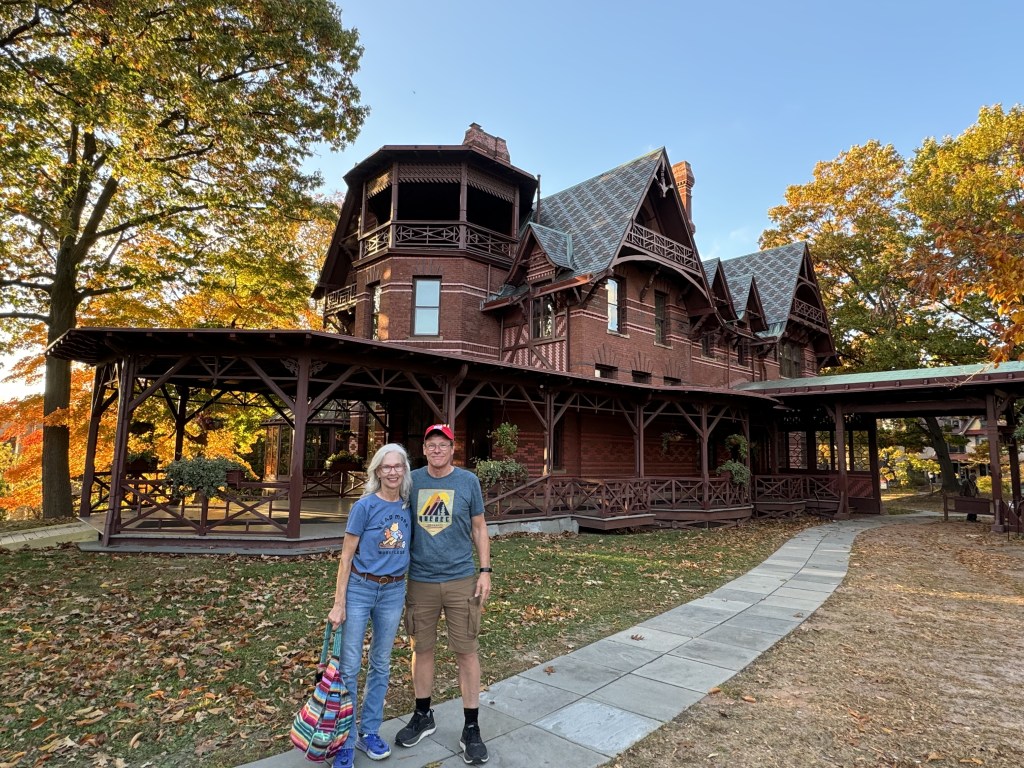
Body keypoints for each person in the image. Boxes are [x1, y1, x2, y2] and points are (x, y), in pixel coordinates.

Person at [396, 424, 492, 765]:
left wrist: (485, 571)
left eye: (444, 445)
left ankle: (471, 727)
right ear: (424, 448)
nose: (437, 449)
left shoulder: (468, 482)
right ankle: (423, 715)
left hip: (461, 579)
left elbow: (479, 527)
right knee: (421, 649)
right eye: (431, 444)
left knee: (466, 651)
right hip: (419, 579)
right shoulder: (412, 481)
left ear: (454, 449)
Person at [327, 443, 413, 766]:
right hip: (361, 590)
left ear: (404, 470)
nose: (392, 472)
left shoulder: (407, 505)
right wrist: (339, 604)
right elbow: (346, 557)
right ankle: (345, 742)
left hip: (393, 592)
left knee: (381, 662)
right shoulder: (364, 507)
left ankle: (369, 732)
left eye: (398, 466)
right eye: (386, 467)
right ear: (377, 471)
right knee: (350, 666)